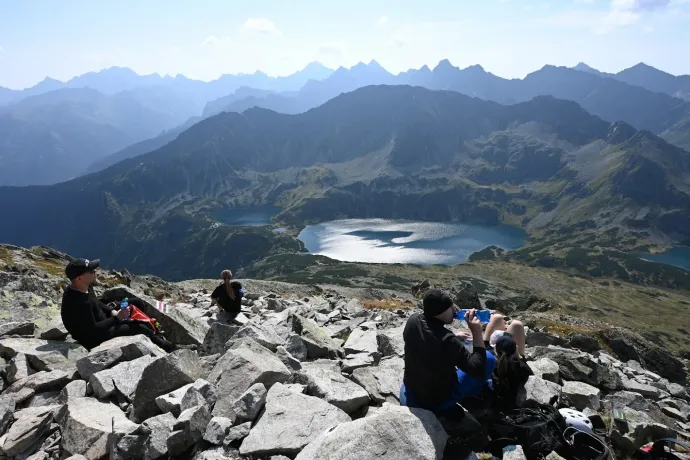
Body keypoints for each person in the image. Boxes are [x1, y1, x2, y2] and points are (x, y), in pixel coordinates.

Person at [399, 289, 491, 457]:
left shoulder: (413, 321)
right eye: (451, 308)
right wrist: (477, 333)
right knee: (489, 359)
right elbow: (477, 369)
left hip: (410, 390)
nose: (455, 311)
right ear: (440, 313)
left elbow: (430, 337)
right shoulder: (448, 341)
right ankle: (468, 399)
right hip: (436, 399)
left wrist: (453, 336)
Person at [60, 258, 176, 352]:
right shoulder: (78, 303)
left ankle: (153, 334)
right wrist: (117, 318)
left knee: (137, 302)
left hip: (103, 321)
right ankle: (169, 347)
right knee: (138, 326)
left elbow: (96, 302)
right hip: (94, 337)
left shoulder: (84, 286)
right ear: (79, 278)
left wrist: (111, 311)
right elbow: (93, 330)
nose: (95, 271)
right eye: (91, 271)